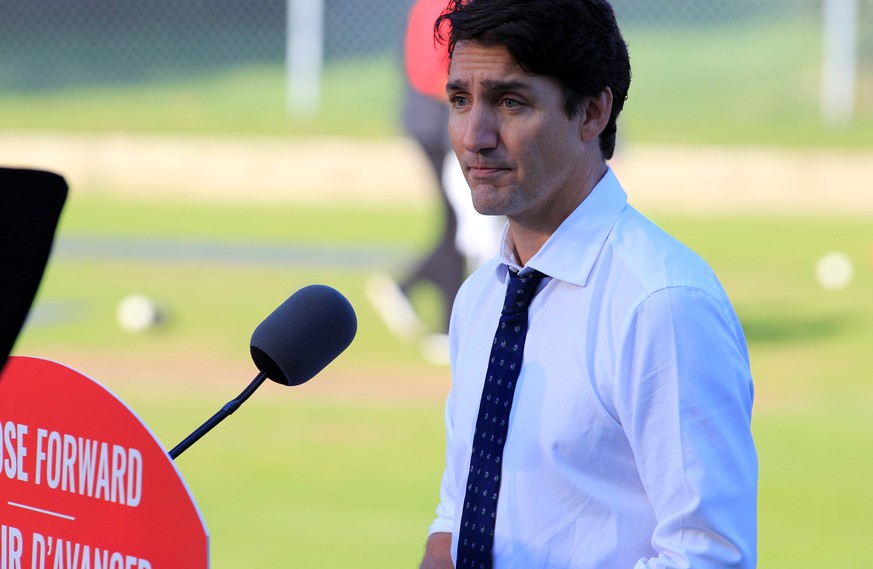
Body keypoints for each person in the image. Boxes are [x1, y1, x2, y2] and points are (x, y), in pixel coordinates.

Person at [419, 1, 758, 568]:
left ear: (592, 112)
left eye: (510, 102)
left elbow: (707, 556)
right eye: (460, 100)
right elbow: (460, 511)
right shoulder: (483, 297)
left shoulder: (662, 304)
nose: (474, 136)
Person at [367, 0, 502, 363]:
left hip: (433, 119)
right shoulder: (445, 6)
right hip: (437, 122)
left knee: (455, 220)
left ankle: (412, 292)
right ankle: (445, 322)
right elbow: (434, 71)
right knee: (463, 218)